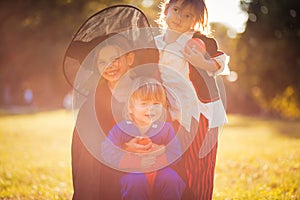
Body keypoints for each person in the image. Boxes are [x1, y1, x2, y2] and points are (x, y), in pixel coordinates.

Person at [154, 0, 230, 199]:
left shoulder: (198, 41)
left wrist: (203, 62)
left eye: (187, 15)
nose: (179, 18)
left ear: (195, 21)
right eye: (176, 10)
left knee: (199, 167)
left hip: (201, 113)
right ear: (166, 10)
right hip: (172, 115)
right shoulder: (155, 43)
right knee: (175, 167)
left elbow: (220, 60)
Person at [102, 77, 186, 200]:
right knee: (135, 181)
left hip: (160, 172)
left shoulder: (166, 129)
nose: (150, 109)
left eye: (156, 104)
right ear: (131, 107)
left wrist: (162, 150)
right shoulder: (121, 128)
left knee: (172, 179)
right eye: (144, 103)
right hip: (132, 172)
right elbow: (107, 152)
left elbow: (176, 153)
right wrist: (133, 157)